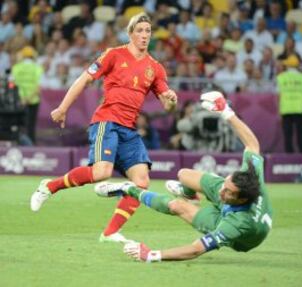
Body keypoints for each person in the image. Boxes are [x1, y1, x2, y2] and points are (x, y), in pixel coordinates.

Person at [30, 13, 177, 243]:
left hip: (129, 129)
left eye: (148, 31)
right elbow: (83, 79)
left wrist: (171, 99)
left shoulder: (155, 68)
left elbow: (167, 105)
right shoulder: (114, 54)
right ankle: (49, 186)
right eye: (140, 31)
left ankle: (110, 233)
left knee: (142, 182)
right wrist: (62, 108)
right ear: (130, 34)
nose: (144, 35)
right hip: (106, 121)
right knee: (101, 173)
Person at [95, 91, 272, 262]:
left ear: (241, 200)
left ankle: (128, 188)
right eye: (225, 186)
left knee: (176, 206)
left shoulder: (236, 225)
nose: (221, 192)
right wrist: (226, 111)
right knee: (183, 174)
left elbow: (196, 249)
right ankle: (189, 194)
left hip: (232, 229)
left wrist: (151, 255)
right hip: (234, 205)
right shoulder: (250, 176)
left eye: (228, 192)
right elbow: (252, 144)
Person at [11, 45, 43, 145]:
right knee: (31, 126)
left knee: (17, 126)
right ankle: (31, 148)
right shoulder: (38, 68)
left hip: (18, 102)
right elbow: (39, 88)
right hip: (33, 101)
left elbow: (11, 85)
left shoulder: (16, 68)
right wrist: (29, 99)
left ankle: (18, 146)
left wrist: (22, 99)